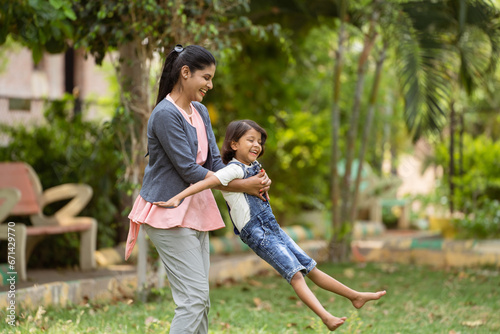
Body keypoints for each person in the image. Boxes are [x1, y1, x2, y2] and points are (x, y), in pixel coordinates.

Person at [154, 120, 387, 332]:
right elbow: (207, 182)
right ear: (234, 144)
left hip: (272, 227)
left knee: (310, 267)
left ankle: (355, 296)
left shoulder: (255, 166)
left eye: (259, 141)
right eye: (250, 140)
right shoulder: (233, 169)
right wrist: (178, 197)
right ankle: (325, 317)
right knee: (295, 274)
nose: (257, 145)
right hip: (257, 232)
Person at [125, 45, 271, 334]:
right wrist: (245, 186)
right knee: (193, 300)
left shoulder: (199, 111)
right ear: (185, 73)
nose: (210, 85)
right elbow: (188, 170)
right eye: (206, 77)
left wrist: (251, 175)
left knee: (199, 301)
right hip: (167, 210)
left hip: (196, 209)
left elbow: (214, 161)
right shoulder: (166, 114)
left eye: (212, 78)